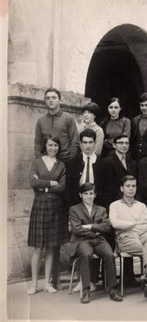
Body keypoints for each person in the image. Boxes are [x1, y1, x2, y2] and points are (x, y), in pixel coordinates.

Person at [27, 135, 68, 295]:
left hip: (55, 208)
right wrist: (50, 183)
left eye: (56, 146)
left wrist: (42, 185)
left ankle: (47, 283)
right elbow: (33, 182)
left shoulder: (61, 165)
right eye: (50, 145)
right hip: (40, 206)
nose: (53, 148)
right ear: (46, 146)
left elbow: (62, 187)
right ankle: (33, 283)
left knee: (51, 248)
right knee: (38, 248)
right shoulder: (37, 162)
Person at [68, 183, 122, 303]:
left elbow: (107, 227)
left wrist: (90, 226)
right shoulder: (74, 209)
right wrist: (94, 232)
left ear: (95, 194)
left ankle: (113, 289)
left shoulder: (101, 209)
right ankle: (86, 290)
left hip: (99, 240)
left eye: (91, 193)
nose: (88, 196)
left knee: (109, 255)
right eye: (86, 194)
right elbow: (76, 229)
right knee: (86, 255)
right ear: (80, 195)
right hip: (82, 240)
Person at [109, 175, 147, 283]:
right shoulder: (114, 205)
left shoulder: (141, 206)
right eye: (128, 186)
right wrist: (133, 224)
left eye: (133, 186)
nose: (131, 189)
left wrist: (127, 226)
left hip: (141, 235)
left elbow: (146, 226)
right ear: (122, 188)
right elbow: (115, 224)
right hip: (124, 238)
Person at [34, 87, 80, 163]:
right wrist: (40, 160)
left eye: (54, 98)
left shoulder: (68, 118)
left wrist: (70, 159)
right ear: (45, 101)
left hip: (65, 161)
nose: (50, 100)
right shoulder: (40, 121)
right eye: (48, 98)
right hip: (46, 162)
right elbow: (37, 143)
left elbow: (75, 141)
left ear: (59, 100)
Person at [66, 129, 105, 208]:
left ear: (95, 143)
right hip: (76, 203)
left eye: (90, 142)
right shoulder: (72, 163)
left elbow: (106, 188)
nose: (88, 146)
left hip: (97, 204)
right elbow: (68, 189)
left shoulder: (102, 163)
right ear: (80, 144)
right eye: (85, 142)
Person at [99, 134, 137, 209]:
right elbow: (108, 187)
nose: (124, 145)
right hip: (113, 203)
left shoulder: (133, 163)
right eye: (121, 143)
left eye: (127, 143)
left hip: (130, 202)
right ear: (114, 145)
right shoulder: (107, 162)